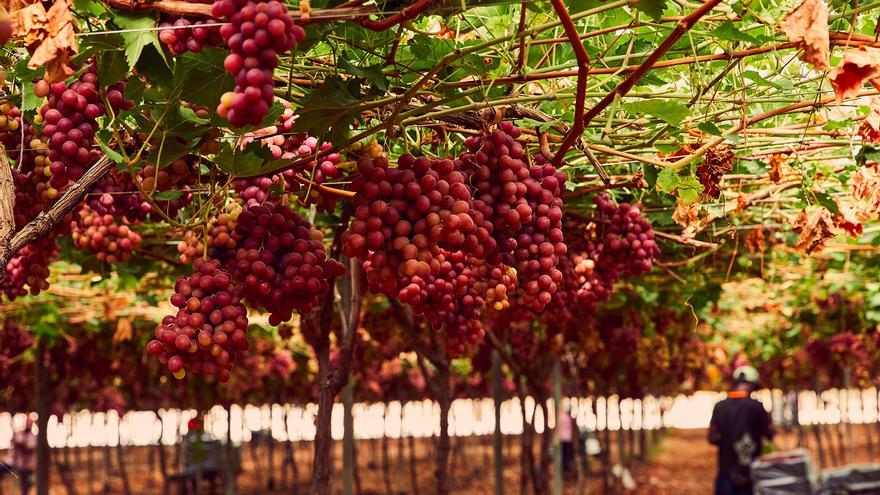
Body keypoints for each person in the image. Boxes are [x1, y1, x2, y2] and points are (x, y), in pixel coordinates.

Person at [709, 365, 775, 495]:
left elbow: (712, 438)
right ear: (753, 386)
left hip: (726, 471)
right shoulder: (757, 407)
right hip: (750, 473)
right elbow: (770, 434)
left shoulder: (720, 406)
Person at [3, 416, 36, 495]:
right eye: (27, 422)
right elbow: (13, 443)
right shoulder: (19, 433)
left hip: (27, 466)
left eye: (30, 423)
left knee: (25, 485)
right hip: (14, 462)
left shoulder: (33, 437)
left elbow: (30, 450)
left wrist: (20, 445)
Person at [558, 404, 576, 475]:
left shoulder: (561, 417)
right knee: (566, 455)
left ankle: (565, 468)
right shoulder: (568, 418)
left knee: (564, 455)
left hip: (563, 439)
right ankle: (566, 468)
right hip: (567, 439)